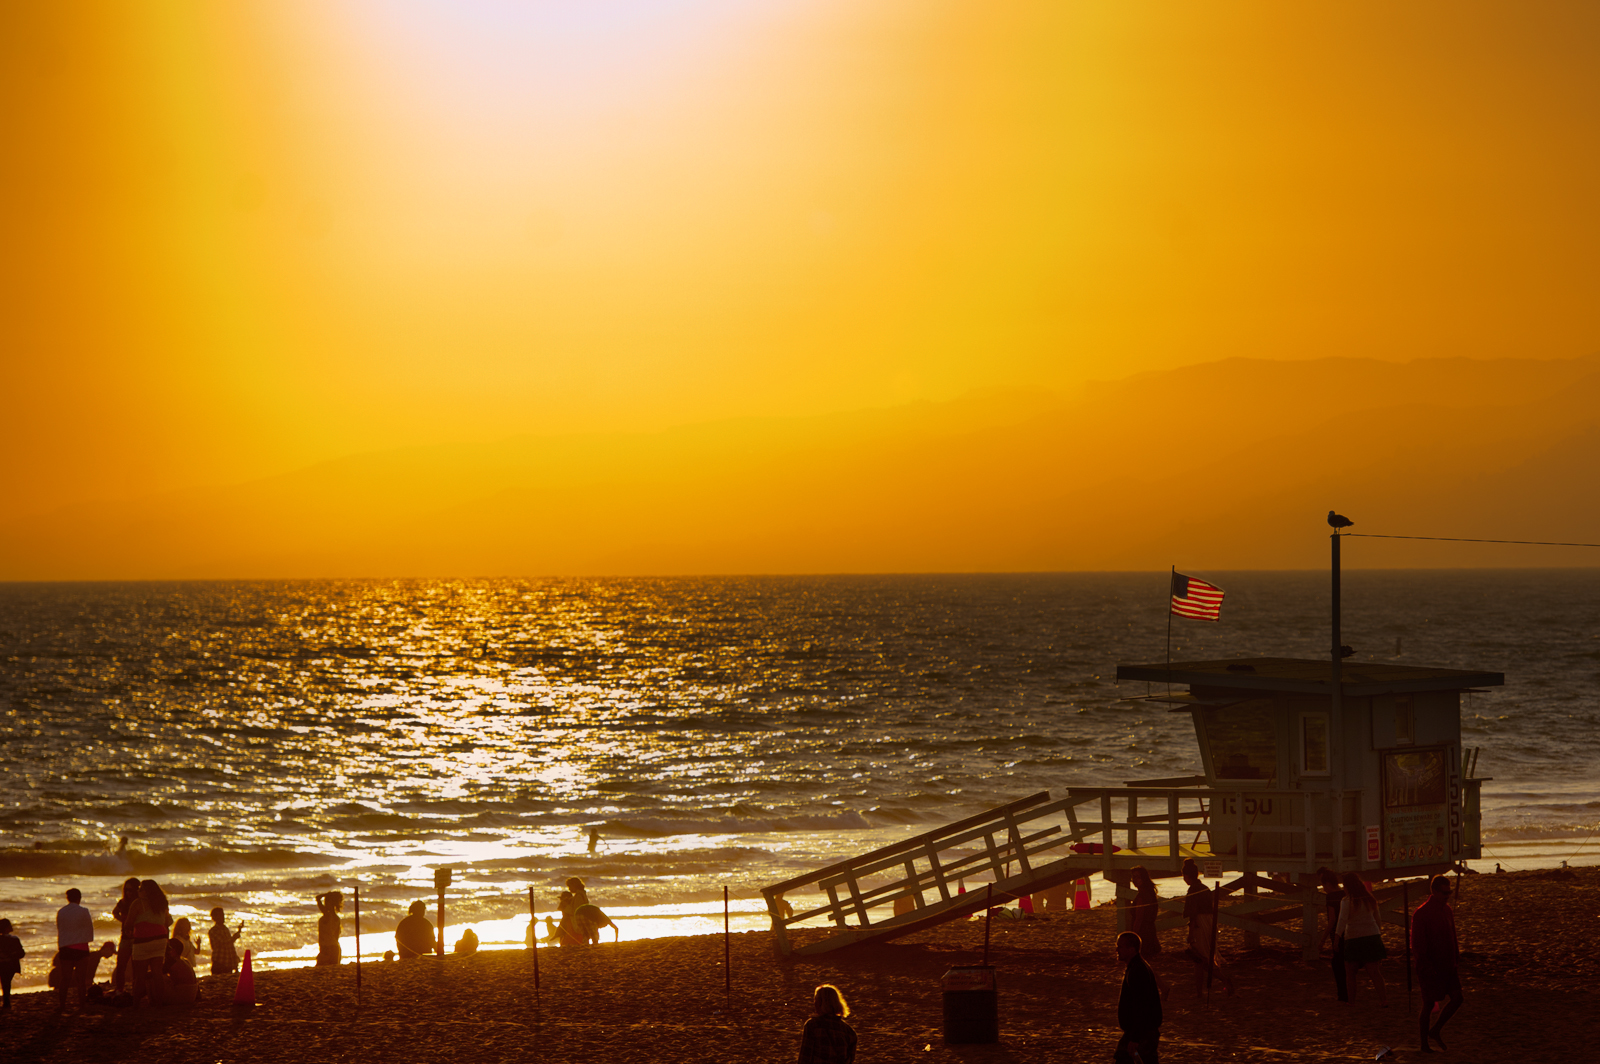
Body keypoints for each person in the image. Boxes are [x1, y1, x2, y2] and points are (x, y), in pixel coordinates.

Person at [1412, 874, 1463, 1052]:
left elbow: (1453, 936)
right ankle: (1424, 1044)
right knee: (1428, 1004)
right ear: (1433, 892)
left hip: (1449, 965)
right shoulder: (1421, 914)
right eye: (1444, 892)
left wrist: (1456, 957)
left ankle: (1436, 1030)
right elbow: (1417, 944)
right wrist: (1426, 966)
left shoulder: (1447, 910)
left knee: (1458, 998)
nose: (1447, 895)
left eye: (1449, 892)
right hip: (1430, 968)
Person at [1180, 860, 1233, 997]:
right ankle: (1199, 992)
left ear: (1186, 876)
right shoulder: (1204, 888)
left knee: (1200, 958)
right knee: (1199, 959)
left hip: (1200, 923)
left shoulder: (1193, 890)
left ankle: (1223, 980)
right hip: (1210, 922)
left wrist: (1191, 933)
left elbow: (1193, 914)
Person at [1115, 931, 1167, 1064]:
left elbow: (1141, 1006)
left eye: (1120, 947)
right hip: (1139, 1030)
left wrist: (1135, 1038)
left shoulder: (1138, 970)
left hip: (1143, 1032)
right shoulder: (1135, 967)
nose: (1117, 950)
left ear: (1131, 949)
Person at [1336, 873, 1387, 1006]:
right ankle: (1383, 1000)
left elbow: (1342, 920)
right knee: (1375, 973)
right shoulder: (1369, 898)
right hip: (1372, 935)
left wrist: (1336, 938)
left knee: (1350, 973)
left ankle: (1351, 1002)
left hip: (1354, 937)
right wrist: (1378, 934)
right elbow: (1378, 918)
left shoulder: (1347, 901)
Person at [128, 880, 172, 1007]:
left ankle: (135, 1003)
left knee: (140, 975)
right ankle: (159, 1002)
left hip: (143, 941)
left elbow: (129, 923)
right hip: (160, 939)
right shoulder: (162, 903)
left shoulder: (138, 903)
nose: (138, 891)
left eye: (141, 889)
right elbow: (167, 922)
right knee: (157, 972)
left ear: (147, 892)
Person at [55, 887, 96, 1009]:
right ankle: (82, 1004)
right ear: (79, 898)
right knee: (81, 979)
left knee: (65, 978)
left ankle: (62, 1004)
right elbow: (89, 928)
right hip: (81, 947)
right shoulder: (83, 911)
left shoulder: (61, 911)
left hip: (65, 947)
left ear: (67, 898)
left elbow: (60, 928)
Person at [797, 983, 856, 1064]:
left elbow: (805, 1057)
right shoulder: (849, 1032)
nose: (814, 1004)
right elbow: (850, 1060)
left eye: (816, 1000)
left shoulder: (812, 1026)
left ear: (822, 1002)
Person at [1318, 868, 1348, 1002]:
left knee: (1338, 965)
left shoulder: (1330, 897)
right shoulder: (1345, 894)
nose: (1323, 889)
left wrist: (1322, 940)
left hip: (1337, 933)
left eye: (1324, 885)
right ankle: (1348, 993)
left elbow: (1332, 920)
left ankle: (1342, 995)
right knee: (1348, 965)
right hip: (1349, 932)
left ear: (1328, 884)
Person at [111, 876, 140, 994]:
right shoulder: (123, 903)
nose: (128, 892)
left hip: (137, 938)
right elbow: (114, 912)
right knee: (121, 964)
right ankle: (119, 988)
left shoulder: (139, 903)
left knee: (136, 966)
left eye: (131, 890)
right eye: (126, 890)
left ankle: (136, 988)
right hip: (125, 937)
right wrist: (123, 920)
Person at [1127, 866, 1161, 959]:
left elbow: (1139, 919)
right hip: (1150, 931)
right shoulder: (1150, 893)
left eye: (1137, 877)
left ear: (1143, 878)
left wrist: (1134, 937)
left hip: (1143, 932)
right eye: (1133, 877)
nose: (1134, 880)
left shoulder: (1142, 896)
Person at [208, 907, 242, 976]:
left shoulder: (225, 929)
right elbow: (224, 943)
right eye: (220, 915)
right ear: (214, 918)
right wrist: (235, 936)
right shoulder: (213, 931)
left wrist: (235, 964)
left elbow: (230, 946)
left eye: (223, 915)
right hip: (219, 962)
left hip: (227, 962)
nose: (223, 917)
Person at [164, 939, 198, 1006]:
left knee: (154, 978)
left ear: (172, 950)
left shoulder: (172, 962)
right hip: (192, 995)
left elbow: (156, 973)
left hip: (182, 997)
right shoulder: (185, 961)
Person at [0, 918, 24, 1010]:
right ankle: (6, 1001)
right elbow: (21, 953)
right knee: (6, 982)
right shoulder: (14, 939)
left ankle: (6, 1001)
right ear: (6, 928)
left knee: (5, 982)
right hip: (10, 965)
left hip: (3, 964)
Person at [315, 891, 343, 966]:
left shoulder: (328, 915)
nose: (325, 904)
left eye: (326, 902)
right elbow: (337, 936)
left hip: (327, 948)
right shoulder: (337, 918)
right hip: (334, 947)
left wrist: (326, 894)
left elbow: (317, 898)